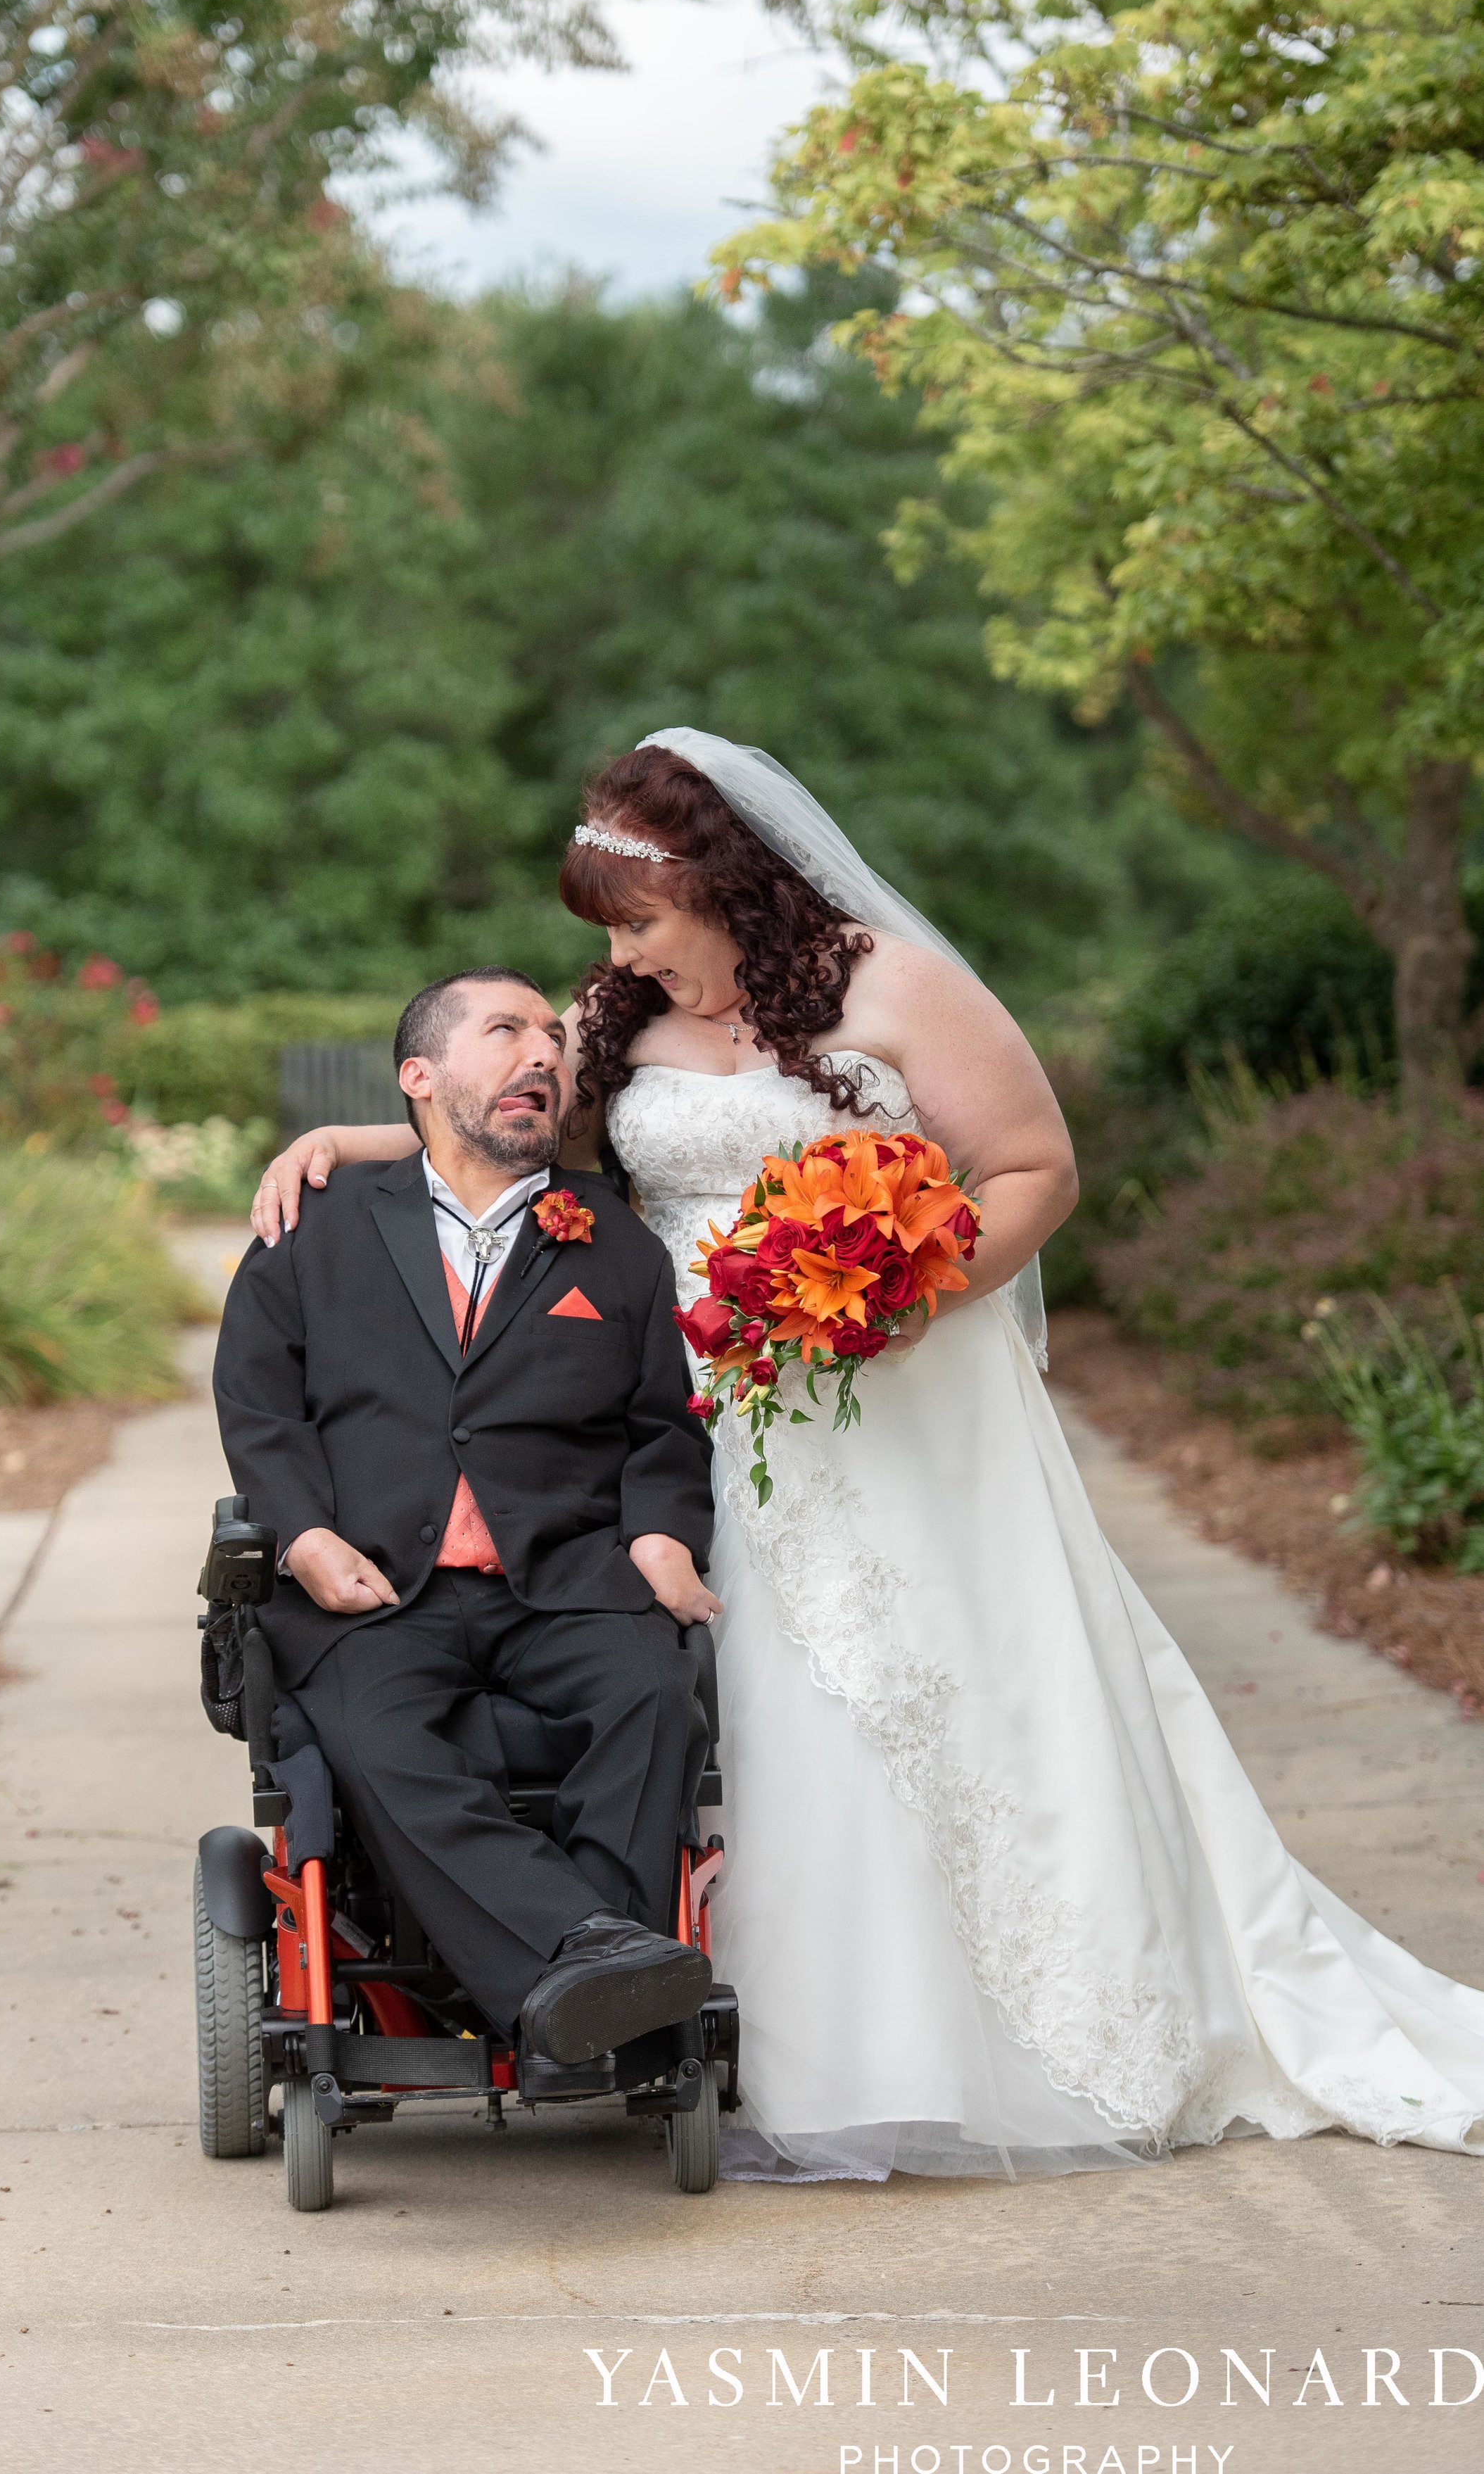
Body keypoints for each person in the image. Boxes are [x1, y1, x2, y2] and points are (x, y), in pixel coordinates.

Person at [250, 733, 1484, 2183]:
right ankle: (743, 2017)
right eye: (610, 930)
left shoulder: (891, 985)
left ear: (723, 883)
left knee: (954, 1687)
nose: (622, 952)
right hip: (697, 1396)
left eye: (640, 918)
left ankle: (1027, 2031)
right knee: (759, 1705)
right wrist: (348, 1138)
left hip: (895, 1384)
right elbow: (494, 1137)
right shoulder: (621, 1002)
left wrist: (902, 1303)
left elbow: (1032, 1171)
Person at [214, 965, 718, 2090]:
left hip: (567, 1578)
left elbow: (663, 1429)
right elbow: (257, 1402)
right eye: (506, 1031)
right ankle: (591, 1976)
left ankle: (570, 1995)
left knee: (652, 1694)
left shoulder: (618, 1251)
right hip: (375, 1587)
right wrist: (299, 1537)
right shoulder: (316, 1226)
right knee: (373, 1740)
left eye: (552, 1035)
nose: (544, 1052)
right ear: (421, 1075)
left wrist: (661, 1532)